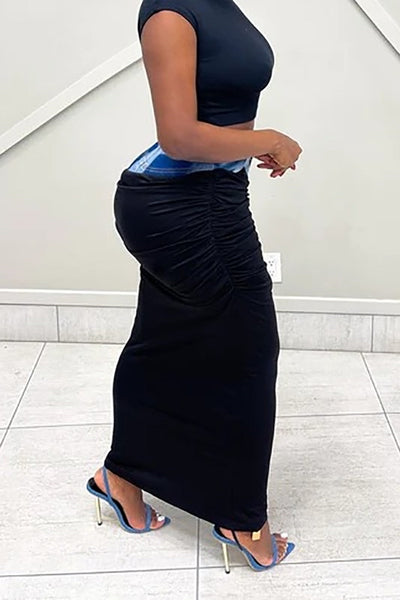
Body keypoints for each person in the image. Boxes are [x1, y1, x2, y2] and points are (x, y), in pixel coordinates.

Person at [86, 0, 302, 573]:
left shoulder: (218, 5)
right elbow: (179, 136)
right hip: (179, 205)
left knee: (162, 341)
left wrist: (251, 146)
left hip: (215, 195)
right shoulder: (171, 13)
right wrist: (268, 138)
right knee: (250, 349)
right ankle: (241, 517)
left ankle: (120, 478)